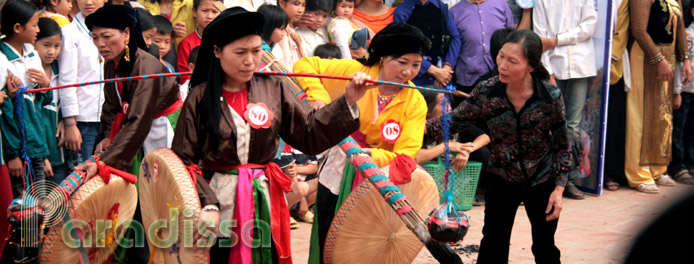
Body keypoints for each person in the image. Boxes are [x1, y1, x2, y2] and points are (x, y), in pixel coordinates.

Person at [170, 7, 365, 263]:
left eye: (256, 50)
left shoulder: (274, 88)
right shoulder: (199, 97)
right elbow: (182, 161)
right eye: (240, 52)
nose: (250, 60)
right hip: (218, 200)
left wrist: (348, 100)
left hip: (262, 197)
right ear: (217, 51)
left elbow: (308, 132)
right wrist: (207, 204)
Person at [427, 30, 570, 263]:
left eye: (512, 61)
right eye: (501, 56)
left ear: (531, 66)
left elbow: (563, 143)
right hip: (502, 177)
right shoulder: (487, 91)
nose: (502, 65)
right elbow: (453, 122)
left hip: (542, 179)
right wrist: (411, 129)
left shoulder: (549, 96)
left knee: (545, 247)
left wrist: (559, 189)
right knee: (493, 245)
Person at [293, 23, 431, 263]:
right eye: (401, 62)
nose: (408, 72)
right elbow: (305, 65)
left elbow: (407, 154)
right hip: (336, 173)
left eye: (416, 65)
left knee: (366, 246)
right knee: (330, 235)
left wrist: (371, 156)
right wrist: (319, 96)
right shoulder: (354, 71)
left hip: (377, 181)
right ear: (384, 57)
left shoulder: (415, 101)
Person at [534, 0, 598, 199]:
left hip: (581, 64)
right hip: (554, 66)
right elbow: (539, 38)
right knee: (551, 124)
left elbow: (589, 27)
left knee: (573, 125)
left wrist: (556, 40)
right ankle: (548, 179)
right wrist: (548, 73)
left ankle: (567, 180)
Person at [627, 0, 692, 193]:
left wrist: (685, 58)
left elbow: (679, 27)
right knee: (642, 113)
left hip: (668, 55)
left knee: (661, 115)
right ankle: (639, 172)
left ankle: (657, 167)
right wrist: (658, 59)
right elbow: (638, 30)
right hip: (646, 57)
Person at [0, 0, 52, 199]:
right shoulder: (2, 58)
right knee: (21, 207)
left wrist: (46, 85)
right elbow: (4, 109)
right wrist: (13, 154)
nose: (38, 30)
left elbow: (43, 99)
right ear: (17, 28)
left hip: (36, 143)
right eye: (35, 24)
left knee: (38, 202)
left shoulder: (32, 54)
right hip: (17, 148)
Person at [58, 0, 105, 171]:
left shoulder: (114, 29)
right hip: (83, 119)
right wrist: (70, 122)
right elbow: (66, 78)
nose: (89, 2)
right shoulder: (70, 32)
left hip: (107, 117)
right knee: (81, 175)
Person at [450, 0, 513, 98]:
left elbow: (512, 39)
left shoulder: (502, 5)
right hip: (468, 80)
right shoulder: (454, 12)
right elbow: (452, 47)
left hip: (501, 77)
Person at [393, 0, 461, 89]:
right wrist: (433, 70)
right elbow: (404, 45)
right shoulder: (402, 11)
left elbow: (456, 37)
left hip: (443, 75)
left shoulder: (440, 6)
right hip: (416, 76)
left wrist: (448, 67)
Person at [36, 17, 69, 184]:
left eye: (57, 46)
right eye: (46, 45)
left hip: (59, 150)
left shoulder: (60, 69)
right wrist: (42, 157)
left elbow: (65, 97)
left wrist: (64, 119)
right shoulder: (31, 74)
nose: (52, 52)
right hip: (41, 153)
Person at [604, 0, 630, 191]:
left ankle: (611, 172)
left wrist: (608, 57)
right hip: (585, 60)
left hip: (613, 65)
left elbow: (622, 30)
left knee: (613, 120)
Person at [670, 0, 694, 184]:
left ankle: (690, 162)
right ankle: (678, 166)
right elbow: (680, 63)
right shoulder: (687, 36)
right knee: (678, 129)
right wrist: (677, 90)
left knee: (691, 129)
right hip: (685, 90)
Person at [176, 0, 221, 84]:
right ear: (194, 12)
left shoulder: (226, 40)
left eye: (215, 11)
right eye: (205, 11)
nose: (210, 16)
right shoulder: (186, 43)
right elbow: (185, 77)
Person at [273, 0, 306, 70]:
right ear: (282, 3)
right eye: (296, 4)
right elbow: (285, 63)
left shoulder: (290, 29)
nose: (300, 10)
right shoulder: (281, 32)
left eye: (303, 5)